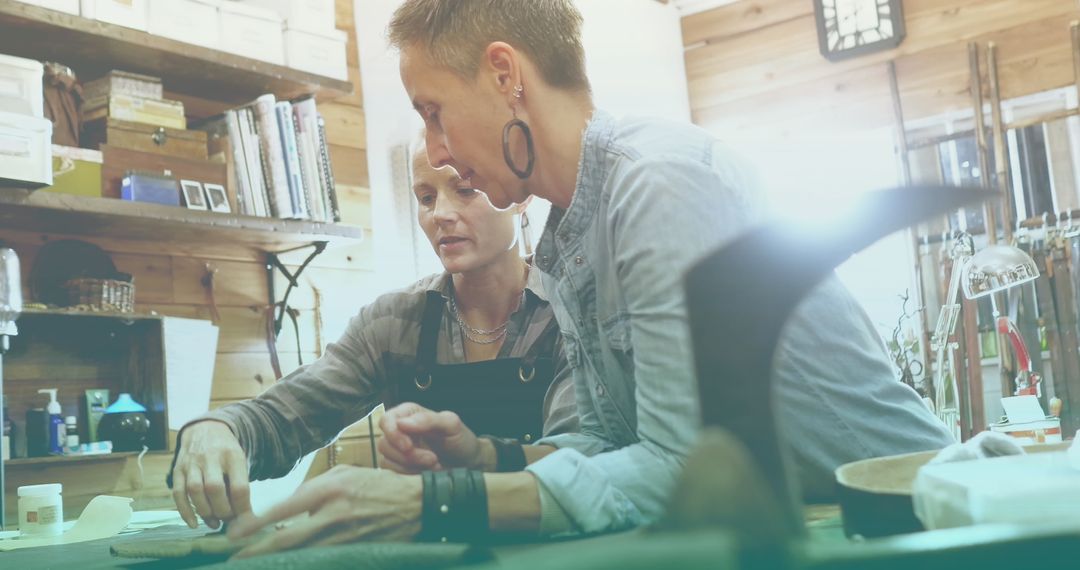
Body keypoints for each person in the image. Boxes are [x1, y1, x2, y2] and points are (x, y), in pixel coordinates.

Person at [226, 0, 953, 555]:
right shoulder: (569, 232)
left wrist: (439, 503)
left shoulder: (657, 182)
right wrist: (487, 458)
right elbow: (614, 444)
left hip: (911, 527)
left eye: (434, 113)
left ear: (506, 75)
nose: (438, 152)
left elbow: (683, 467)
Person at [167, 141, 577, 531]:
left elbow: (581, 465)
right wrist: (217, 429)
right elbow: (285, 419)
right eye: (426, 198)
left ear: (519, 197)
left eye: (465, 190)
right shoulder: (393, 322)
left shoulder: (570, 315)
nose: (440, 215)